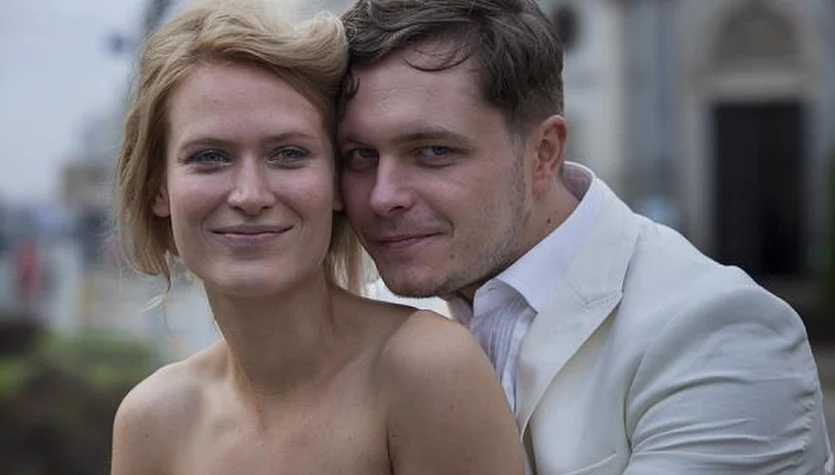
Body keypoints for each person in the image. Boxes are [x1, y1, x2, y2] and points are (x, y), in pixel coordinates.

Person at [337, 0, 833, 473]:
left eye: (432, 151)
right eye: (360, 155)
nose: (383, 196)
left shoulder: (720, 334)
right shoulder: (359, 325)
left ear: (543, 153)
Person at [109, 2, 525, 474]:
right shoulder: (151, 422)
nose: (250, 195)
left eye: (288, 154)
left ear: (337, 181)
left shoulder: (426, 369)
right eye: (209, 157)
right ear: (158, 188)